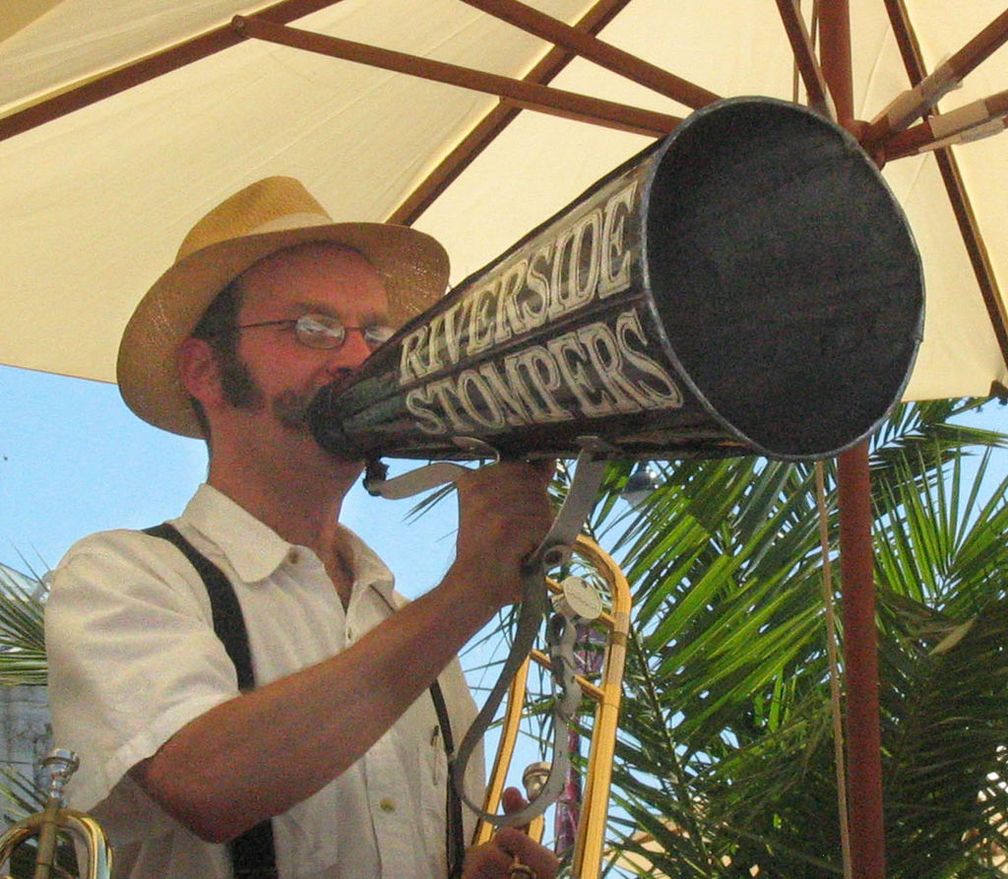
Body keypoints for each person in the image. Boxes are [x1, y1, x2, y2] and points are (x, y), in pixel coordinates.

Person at [44, 177, 560, 879]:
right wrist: (467, 594)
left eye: (375, 334)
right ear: (205, 370)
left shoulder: (404, 624)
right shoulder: (123, 575)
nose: (355, 358)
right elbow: (206, 783)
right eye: (311, 328)